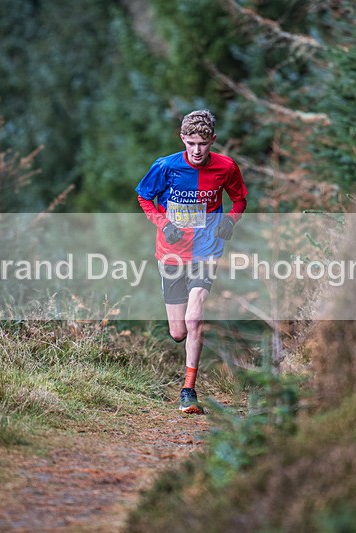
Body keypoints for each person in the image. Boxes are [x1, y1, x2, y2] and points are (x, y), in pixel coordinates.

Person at [136, 109, 248, 414]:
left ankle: (188, 390)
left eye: (203, 143)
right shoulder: (165, 166)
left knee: (195, 319)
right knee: (178, 332)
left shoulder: (226, 167)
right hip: (171, 253)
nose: (197, 150)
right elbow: (144, 197)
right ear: (182, 139)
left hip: (206, 251)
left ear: (212, 140)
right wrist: (163, 223)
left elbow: (239, 199)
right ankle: (182, 348)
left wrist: (231, 220)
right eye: (191, 143)